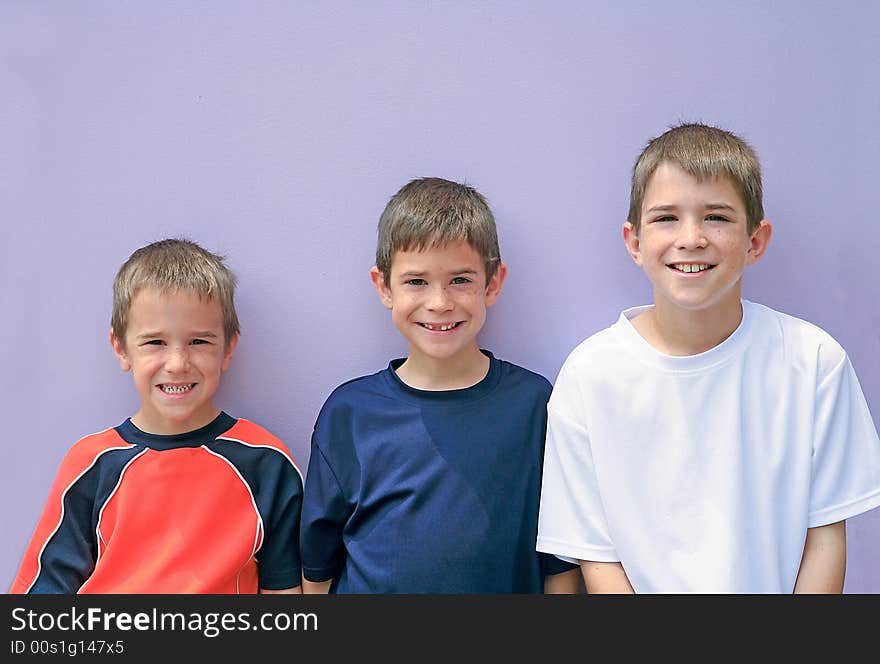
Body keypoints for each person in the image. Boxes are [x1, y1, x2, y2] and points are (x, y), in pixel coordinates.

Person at [536, 123, 880, 593]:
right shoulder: (589, 375)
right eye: (666, 218)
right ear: (634, 242)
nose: (692, 238)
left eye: (716, 217)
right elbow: (597, 559)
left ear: (755, 241)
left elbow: (824, 541)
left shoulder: (814, 362)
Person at [299, 177, 580, 593]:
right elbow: (317, 568)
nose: (439, 302)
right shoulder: (349, 413)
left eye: (460, 280)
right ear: (383, 286)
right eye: (416, 281)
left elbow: (560, 563)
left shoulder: (533, 405)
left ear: (493, 283)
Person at [10, 239, 303, 594]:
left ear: (228, 348)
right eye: (155, 343)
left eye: (199, 342)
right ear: (121, 348)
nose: (177, 363)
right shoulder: (90, 464)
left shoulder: (266, 462)